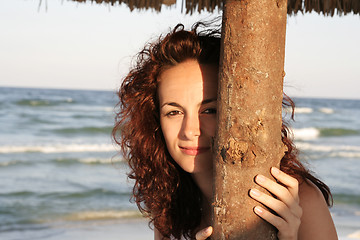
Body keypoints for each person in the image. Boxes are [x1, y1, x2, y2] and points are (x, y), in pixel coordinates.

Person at [112, 23, 338, 240]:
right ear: (155, 121)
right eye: (174, 112)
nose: (191, 130)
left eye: (210, 110)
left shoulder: (297, 202)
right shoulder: (171, 205)